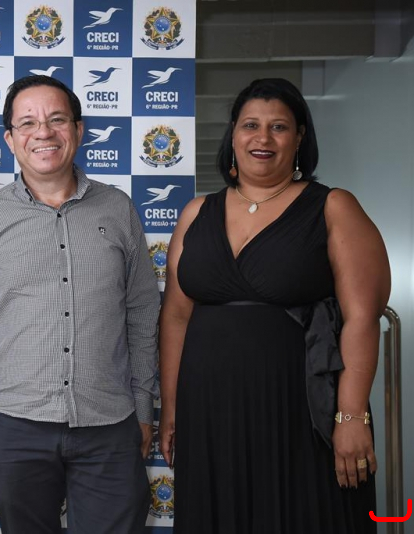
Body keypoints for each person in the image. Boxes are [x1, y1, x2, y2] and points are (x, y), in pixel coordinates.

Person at [158, 78, 390, 533]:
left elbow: (362, 318)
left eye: (278, 127)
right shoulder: (196, 213)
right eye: (251, 125)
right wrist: (171, 408)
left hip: (300, 411)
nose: (262, 138)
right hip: (210, 412)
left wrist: (351, 416)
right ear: (233, 135)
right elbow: (176, 316)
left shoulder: (333, 207)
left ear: (299, 138)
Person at [0, 75, 161, 534]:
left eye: (57, 119)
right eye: (27, 123)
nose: (43, 132)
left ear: (78, 131)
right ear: (10, 139)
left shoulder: (118, 209)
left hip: (109, 424)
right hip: (13, 428)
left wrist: (143, 406)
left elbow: (142, 312)